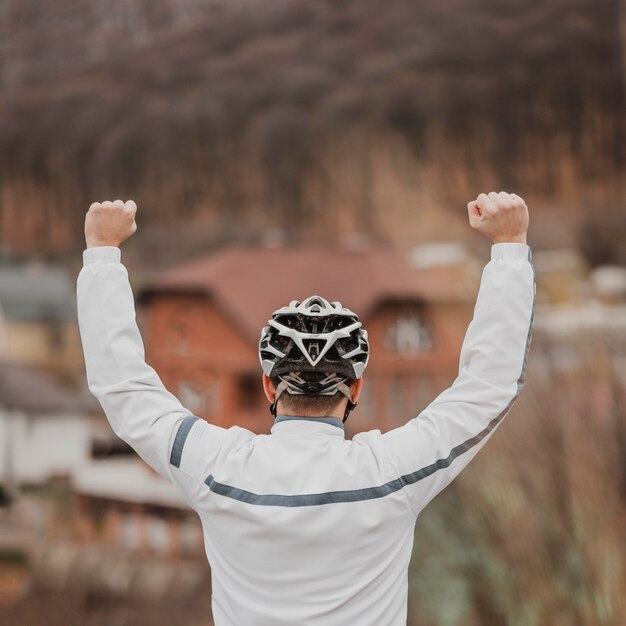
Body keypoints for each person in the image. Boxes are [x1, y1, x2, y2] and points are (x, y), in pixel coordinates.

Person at [77, 191, 534, 625]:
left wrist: (103, 254)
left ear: (267, 386)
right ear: (355, 389)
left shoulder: (219, 470)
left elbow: (124, 389)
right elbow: (489, 386)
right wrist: (509, 247)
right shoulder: (390, 474)